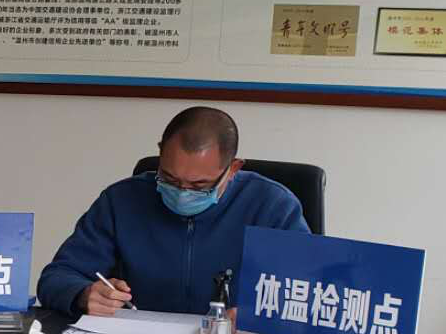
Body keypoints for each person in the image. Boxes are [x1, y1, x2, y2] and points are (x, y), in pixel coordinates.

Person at [37, 106, 309, 317]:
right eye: (169, 179)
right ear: (160, 153)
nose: (182, 192)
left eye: (199, 185)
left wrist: (258, 319)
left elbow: (310, 296)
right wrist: (84, 294)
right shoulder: (121, 200)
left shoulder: (272, 206)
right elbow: (57, 277)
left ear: (232, 169)